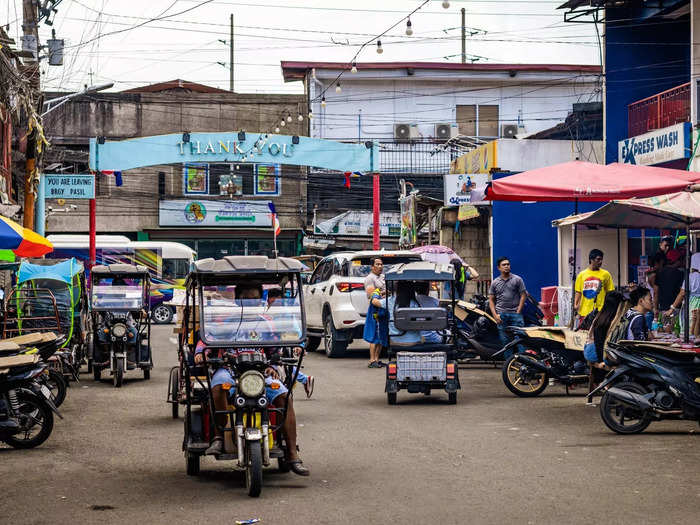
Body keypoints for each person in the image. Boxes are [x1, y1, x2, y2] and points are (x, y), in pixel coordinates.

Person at [194, 283, 309, 476]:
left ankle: (292, 454)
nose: (251, 303)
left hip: (260, 373)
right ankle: (218, 436)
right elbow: (206, 339)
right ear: (237, 300)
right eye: (246, 299)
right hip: (229, 371)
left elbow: (275, 349)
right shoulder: (226, 322)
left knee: (284, 397)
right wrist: (200, 353)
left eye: (254, 300)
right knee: (217, 388)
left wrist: (273, 366)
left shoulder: (266, 323)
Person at [488, 257, 527, 357]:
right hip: (501, 315)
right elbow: (491, 300)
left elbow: (523, 295)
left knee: (520, 340)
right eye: (504, 265)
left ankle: (524, 364)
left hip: (515, 315)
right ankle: (509, 364)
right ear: (499, 268)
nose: (506, 266)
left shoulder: (517, 279)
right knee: (505, 341)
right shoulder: (495, 282)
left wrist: (518, 311)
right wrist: (495, 315)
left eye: (508, 264)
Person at [574, 249, 615, 329]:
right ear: (591, 260)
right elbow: (578, 292)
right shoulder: (582, 275)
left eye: (601, 259)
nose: (600, 262)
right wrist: (575, 305)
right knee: (584, 335)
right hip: (584, 311)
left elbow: (610, 292)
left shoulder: (606, 274)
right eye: (598, 259)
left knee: (597, 335)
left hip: (600, 311)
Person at [584, 291, 624, 367]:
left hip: (594, 349)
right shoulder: (604, 320)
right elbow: (599, 342)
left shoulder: (604, 315)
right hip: (593, 352)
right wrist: (600, 361)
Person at [364, 257, 385, 368]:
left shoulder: (382, 277)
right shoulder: (369, 278)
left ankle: (377, 359)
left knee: (381, 335)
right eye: (377, 264)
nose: (380, 266)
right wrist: (382, 293)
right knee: (374, 335)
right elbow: (372, 295)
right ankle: (372, 360)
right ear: (372, 266)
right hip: (375, 309)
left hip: (383, 308)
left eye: (381, 264)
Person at [652, 252, 684, 318]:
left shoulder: (659, 274)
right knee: (676, 327)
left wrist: (655, 308)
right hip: (677, 307)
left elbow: (656, 292)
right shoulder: (680, 273)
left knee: (663, 327)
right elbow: (682, 292)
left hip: (663, 308)